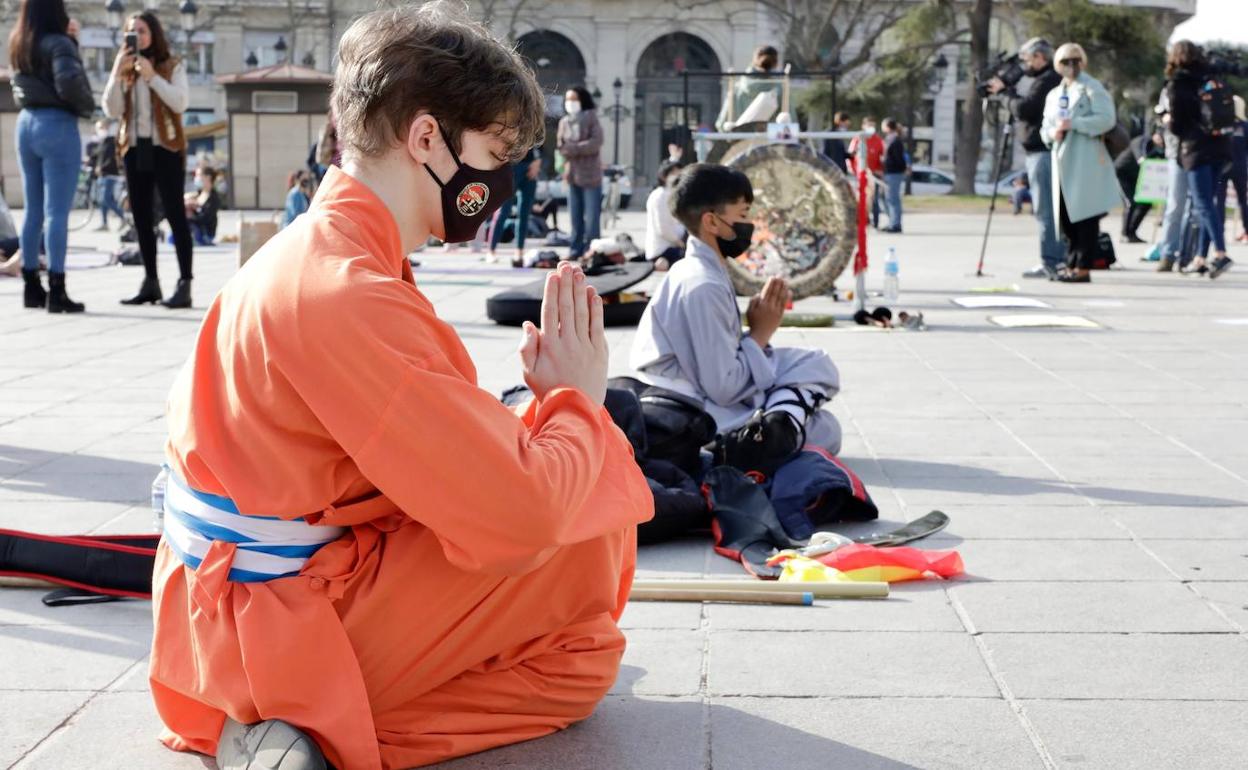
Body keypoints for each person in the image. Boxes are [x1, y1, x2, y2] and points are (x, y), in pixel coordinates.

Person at [147, 6, 652, 770]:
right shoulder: (344, 289)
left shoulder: (323, 252)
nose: (502, 182)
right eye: (494, 153)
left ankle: (291, 711)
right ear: (426, 139)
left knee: (576, 527)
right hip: (271, 622)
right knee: (582, 602)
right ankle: (299, 719)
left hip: (227, 600)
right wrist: (576, 400)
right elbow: (521, 513)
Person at [630, 163, 843, 472]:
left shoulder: (701, 270)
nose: (750, 224)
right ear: (711, 222)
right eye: (742, 215)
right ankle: (766, 434)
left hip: (703, 392)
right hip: (692, 410)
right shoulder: (702, 284)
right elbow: (723, 387)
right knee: (826, 429)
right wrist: (759, 333)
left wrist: (755, 332)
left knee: (812, 363)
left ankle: (782, 418)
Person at [8, 0, 94, 312]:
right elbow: (69, 82)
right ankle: (57, 290)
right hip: (56, 124)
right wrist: (87, 107)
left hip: (26, 122)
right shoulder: (59, 43)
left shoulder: (18, 43)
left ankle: (32, 286)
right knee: (57, 212)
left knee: (32, 210)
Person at [104, 10, 194, 308]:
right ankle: (150, 282)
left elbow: (180, 102)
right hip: (133, 148)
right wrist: (117, 72)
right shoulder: (126, 70)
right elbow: (111, 110)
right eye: (131, 32)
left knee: (175, 214)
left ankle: (184, 283)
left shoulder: (171, 65)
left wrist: (153, 77)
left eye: (142, 31)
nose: (137, 37)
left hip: (165, 148)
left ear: (154, 33)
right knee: (141, 217)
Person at [1040, 43, 1120, 284]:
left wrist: (1076, 124)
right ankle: (1071, 262)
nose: (1071, 66)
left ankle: (1083, 266)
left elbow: (1106, 119)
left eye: (1076, 61)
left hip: (1086, 160)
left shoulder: (1092, 88)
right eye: (1066, 62)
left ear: (1083, 62)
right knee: (1065, 217)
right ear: (1058, 65)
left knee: (1085, 216)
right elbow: (1045, 126)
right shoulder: (1054, 95)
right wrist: (1052, 133)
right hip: (1061, 160)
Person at [988, 37, 1063, 279]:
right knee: (1047, 209)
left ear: (1041, 58)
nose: (1026, 65)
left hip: (1042, 152)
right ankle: (1056, 258)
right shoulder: (1044, 80)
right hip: (1039, 151)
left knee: (1045, 210)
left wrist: (1005, 95)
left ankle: (1051, 260)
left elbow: (1026, 110)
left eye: (1028, 59)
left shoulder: (1047, 80)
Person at [1166, 40, 1232, 278]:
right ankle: (1200, 257)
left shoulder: (1178, 83)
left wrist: (1166, 122)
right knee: (1209, 204)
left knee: (1203, 203)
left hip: (1195, 149)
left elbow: (1177, 124)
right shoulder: (1210, 76)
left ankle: (1221, 253)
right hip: (1221, 146)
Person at [556, 86, 603, 258]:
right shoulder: (564, 122)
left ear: (582, 100)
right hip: (571, 175)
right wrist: (576, 149)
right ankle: (575, 248)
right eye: (568, 99)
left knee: (591, 217)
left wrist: (573, 148)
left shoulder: (591, 117)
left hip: (591, 175)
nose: (571, 103)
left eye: (574, 99)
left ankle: (592, 249)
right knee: (574, 215)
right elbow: (561, 146)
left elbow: (596, 142)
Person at [487, 145, 541, 265]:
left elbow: (539, 139)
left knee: (524, 212)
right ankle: (491, 250)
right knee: (503, 211)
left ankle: (519, 251)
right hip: (510, 165)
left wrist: (537, 161)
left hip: (530, 164)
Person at [1115, 127, 1165, 243]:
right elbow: (1140, 156)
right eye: (1160, 137)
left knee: (1146, 203)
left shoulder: (1160, 148)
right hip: (1123, 173)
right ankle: (1125, 234)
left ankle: (1132, 232)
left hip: (1138, 177)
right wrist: (1142, 158)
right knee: (1130, 202)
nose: (1161, 141)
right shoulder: (1142, 141)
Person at [714, 45, 781, 131]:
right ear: (776, 63)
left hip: (741, 142)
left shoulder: (736, 89)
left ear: (754, 60)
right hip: (771, 142)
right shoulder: (781, 88)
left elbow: (721, 124)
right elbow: (790, 125)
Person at [644, 160, 686, 268]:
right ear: (664, 176)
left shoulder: (669, 193)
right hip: (664, 249)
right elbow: (663, 229)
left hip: (672, 245)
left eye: (679, 173)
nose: (677, 177)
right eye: (674, 173)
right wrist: (682, 244)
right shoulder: (660, 196)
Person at [848, 117, 884, 228]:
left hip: (873, 175)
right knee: (860, 198)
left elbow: (882, 157)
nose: (871, 128)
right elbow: (850, 156)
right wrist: (853, 170)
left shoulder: (878, 140)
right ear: (863, 126)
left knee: (874, 199)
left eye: (873, 125)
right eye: (869, 125)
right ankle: (862, 219)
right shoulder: (857, 139)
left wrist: (880, 170)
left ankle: (876, 222)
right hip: (859, 174)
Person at [90, 120, 126, 231]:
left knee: (106, 199)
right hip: (103, 175)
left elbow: (111, 159)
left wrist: (102, 168)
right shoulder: (103, 142)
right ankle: (104, 223)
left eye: (101, 127)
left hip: (110, 174)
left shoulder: (111, 141)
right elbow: (97, 156)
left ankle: (124, 218)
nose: (99, 130)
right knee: (103, 201)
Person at [881, 118, 906, 233]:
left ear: (887, 126)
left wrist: (886, 161)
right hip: (889, 172)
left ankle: (895, 224)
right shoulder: (889, 139)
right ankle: (892, 221)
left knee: (893, 199)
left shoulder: (895, 140)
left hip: (894, 172)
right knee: (887, 198)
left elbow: (898, 158)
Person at [184, 165, 220, 245]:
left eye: (198, 175)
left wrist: (191, 216)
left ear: (208, 177)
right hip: (196, 229)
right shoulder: (198, 193)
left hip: (205, 234)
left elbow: (205, 219)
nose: (196, 178)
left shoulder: (213, 198)